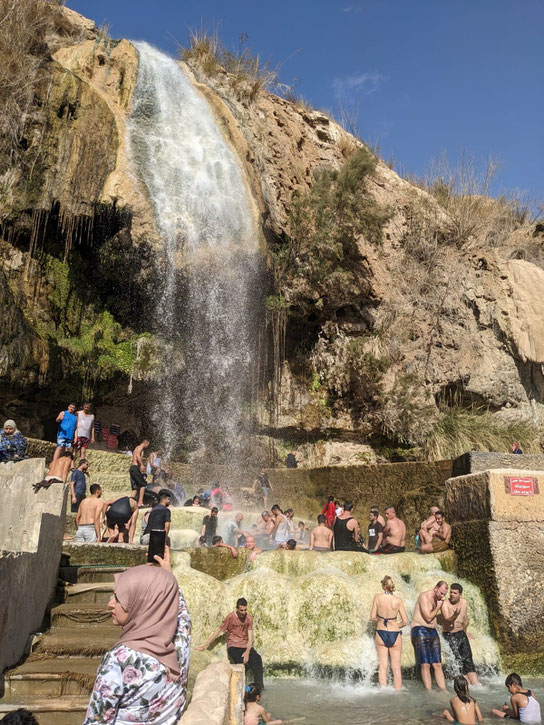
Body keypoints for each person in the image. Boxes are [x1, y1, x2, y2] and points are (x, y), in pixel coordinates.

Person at [83, 548, 191, 725]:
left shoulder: (119, 660)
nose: (110, 604)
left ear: (140, 602)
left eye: (119, 598)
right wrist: (166, 577)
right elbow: (180, 610)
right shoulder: (181, 643)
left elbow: (97, 721)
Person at [196, 597, 264, 687]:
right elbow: (218, 631)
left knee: (257, 659)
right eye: (241, 610)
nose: (244, 613)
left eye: (245, 610)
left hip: (244, 645)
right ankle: (240, 688)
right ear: (237, 608)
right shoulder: (230, 617)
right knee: (241, 662)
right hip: (233, 645)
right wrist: (204, 646)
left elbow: (250, 638)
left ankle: (258, 688)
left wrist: (247, 652)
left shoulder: (249, 618)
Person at [370, 575, 408, 690]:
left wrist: (381, 621)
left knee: (383, 666)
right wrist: (396, 625)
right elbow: (405, 621)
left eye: (382, 584)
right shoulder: (398, 600)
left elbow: (372, 617)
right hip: (395, 633)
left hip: (381, 632)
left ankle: (383, 692)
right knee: (396, 667)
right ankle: (398, 692)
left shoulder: (377, 597)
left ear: (384, 586)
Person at [411, 580, 449, 690]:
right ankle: (429, 690)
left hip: (433, 631)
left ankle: (444, 690)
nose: (442, 596)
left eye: (444, 594)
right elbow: (427, 617)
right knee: (425, 664)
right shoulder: (424, 596)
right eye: (441, 593)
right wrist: (438, 607)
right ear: (435, 588)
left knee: (437, 664)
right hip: (420, 629)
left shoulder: (439, 600)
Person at [440, 583, 479, 686]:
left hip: (461, 634)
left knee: (468, 658)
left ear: (460, 594)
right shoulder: (444, 604)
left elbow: (465, 619)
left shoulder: (464, 603)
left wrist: (465, 632)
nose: (452, 595)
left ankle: (476, 685)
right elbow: (447, 620)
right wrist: (455, 615)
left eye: (455, 593)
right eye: (451, 592)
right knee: (458, 660)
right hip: (449, 635)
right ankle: (465, 685)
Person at [130, 439, 149, 508]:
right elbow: (138, 456)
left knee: (135, 487)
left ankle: (130, 503)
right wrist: (141, 465)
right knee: (143, 485)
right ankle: (140, 503)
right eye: (147, 445)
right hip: (135, 467)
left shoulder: (136, 448)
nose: (147, 447)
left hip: (132, 468)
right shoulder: (140, 447)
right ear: (145, 443)